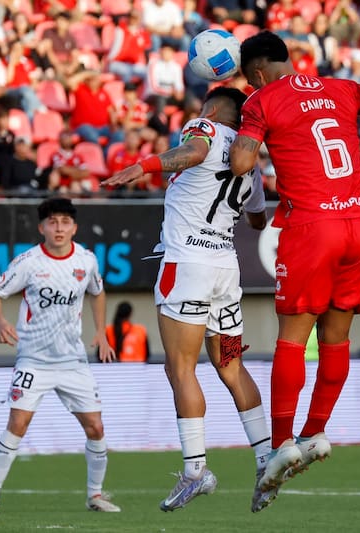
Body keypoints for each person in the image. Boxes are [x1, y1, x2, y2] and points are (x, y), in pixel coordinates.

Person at [229, 31, 360, 498]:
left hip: (312, 225)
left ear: (254, 74)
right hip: (357, 222)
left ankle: (281, 443)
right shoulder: (344, 88)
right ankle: (316, 431)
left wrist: (249, 139)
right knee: (337, 338)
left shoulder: (261, 100)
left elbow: (239, 162)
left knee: (292, 340)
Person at [103, 87, 275, 512]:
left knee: (180, 368)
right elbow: (258, 218)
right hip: (225, 274)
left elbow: (194, 151)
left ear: (213, 110)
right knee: (231, 365)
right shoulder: (249, 163)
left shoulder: (204, 128)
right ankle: (266, 459)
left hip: (186, 267)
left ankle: (196, 470)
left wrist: (142, 166)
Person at [0, 198, 121, 516]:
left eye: (65, 222)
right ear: (42, 227)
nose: (59, 228)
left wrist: (101, 332)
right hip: (33, 359)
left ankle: (95, 496)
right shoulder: (29, 262)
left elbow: (97, 292)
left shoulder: (86, 260)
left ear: (75, 228)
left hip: (72, 361)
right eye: (53, 222)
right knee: (18, 423)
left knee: (96, 427)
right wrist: (1, 322)